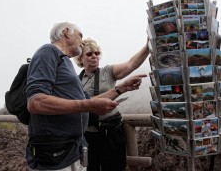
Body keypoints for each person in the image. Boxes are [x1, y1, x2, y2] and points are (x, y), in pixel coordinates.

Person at [24, 22, 147, 171]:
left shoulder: (67, 65)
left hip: (75, 148)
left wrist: (121, 88)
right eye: (80, 35)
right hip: (57, 153)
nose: (82, 41)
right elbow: (35, 102)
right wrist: (87, 106)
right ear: (67, 32)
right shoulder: (48, 52)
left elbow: (88, 102)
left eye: (97, 53)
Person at [73, 37, 149, 171]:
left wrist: (148, 46)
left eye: (97, 53)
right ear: (80, 58)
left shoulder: (107, 72)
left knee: (115, 167)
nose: (94, 56)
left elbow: (131, 64)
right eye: (89, 54)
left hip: (111, 132)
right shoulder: (76, 80)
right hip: (88, 135)